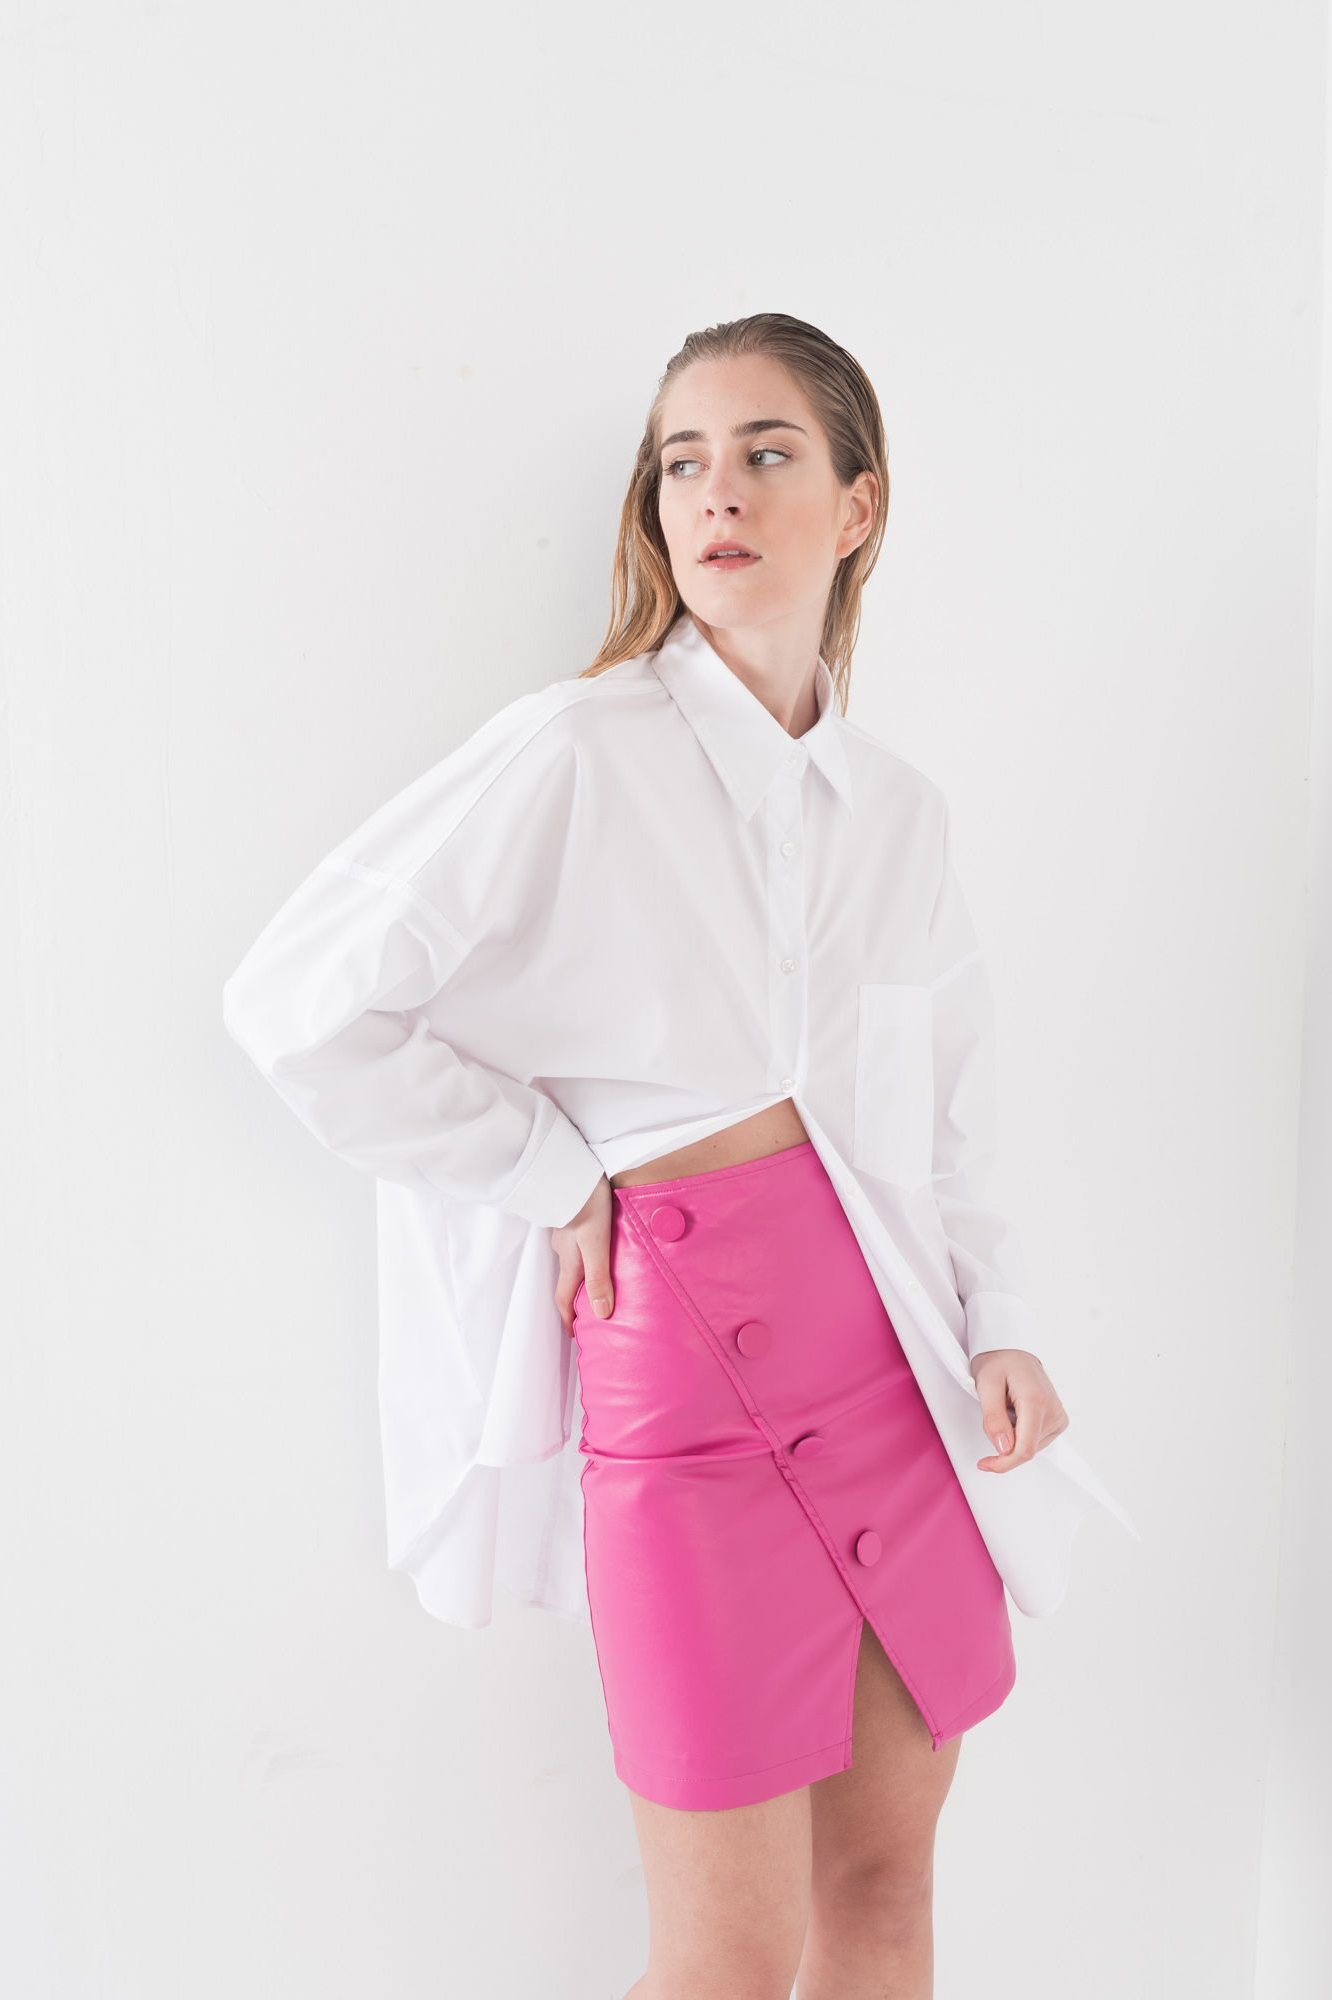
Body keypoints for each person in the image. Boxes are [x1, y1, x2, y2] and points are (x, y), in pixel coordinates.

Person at [222, 312, 1138, 2000]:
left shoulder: (898, 813)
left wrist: (999, 1321)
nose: (716, 493)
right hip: (683, 1382)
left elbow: (941, 1113)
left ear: (857, 505)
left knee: (884, 1896)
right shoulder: (576, 748)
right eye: (681, 464)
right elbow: (298, 1003)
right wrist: (546, 1170)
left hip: (894, 1377)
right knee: (723, 1957)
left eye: (765, 453)